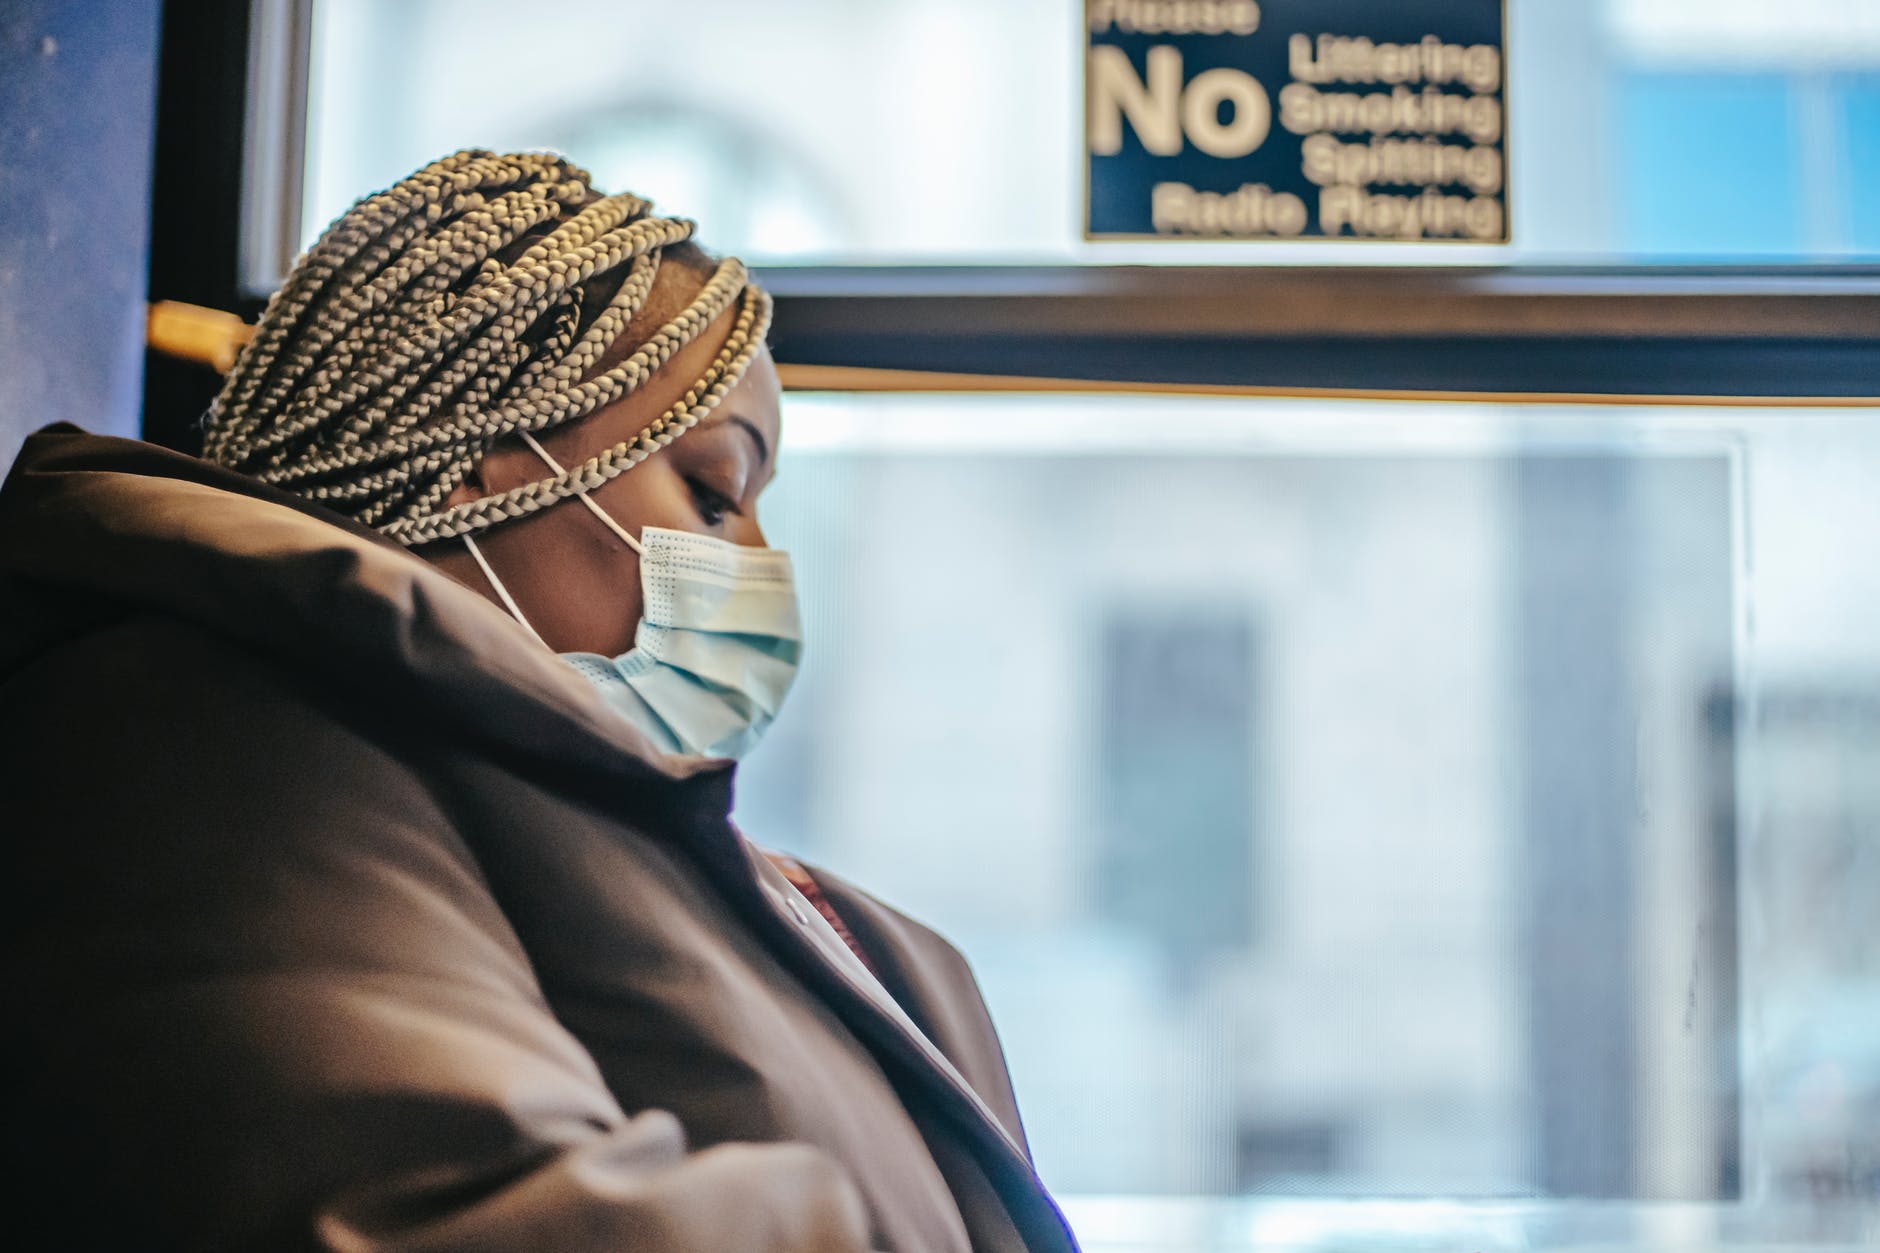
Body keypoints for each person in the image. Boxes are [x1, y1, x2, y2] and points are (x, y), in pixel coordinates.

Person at [0, 150, 1078, 1252]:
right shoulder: (205, 741)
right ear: (478, 456)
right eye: (713, 492)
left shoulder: (755, 886)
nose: (758, 560)